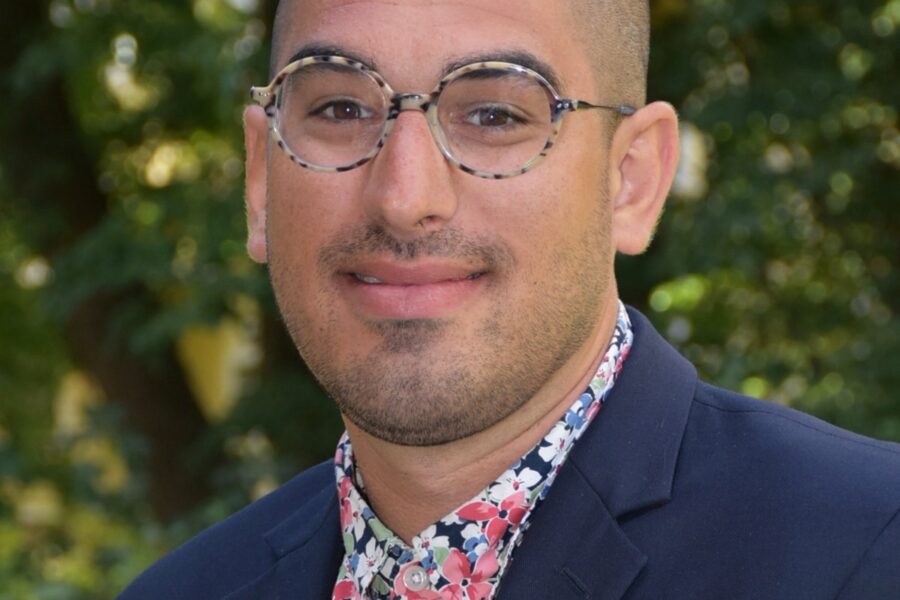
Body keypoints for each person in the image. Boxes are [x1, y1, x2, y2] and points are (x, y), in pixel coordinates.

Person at [120, 1, 900, 598]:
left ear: (630, 181)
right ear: (261, 179)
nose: (404, 197)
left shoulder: (866, 552)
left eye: (495, 115)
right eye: (340, 109)